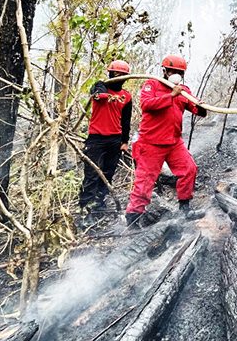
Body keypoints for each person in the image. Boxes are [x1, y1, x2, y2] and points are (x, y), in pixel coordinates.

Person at [125, 54, 207, 227]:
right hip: (151, 142)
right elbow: (147, 105)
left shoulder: (184, 90)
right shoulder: (152, 85)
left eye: (180, 72)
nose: (176, 75)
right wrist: (171, 95)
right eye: (172, 71)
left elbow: (196, 110)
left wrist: (201, 107)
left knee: (189, 169)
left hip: (174, 142)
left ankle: (184, 209)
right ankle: (133, 219)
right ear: (164, 71)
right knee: (145, 181)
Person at [79, 60, 132, 218]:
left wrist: (124, 141)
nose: (118, 77)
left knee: (108, 173)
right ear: (110, 73)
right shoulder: (100, 86)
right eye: (115, 73)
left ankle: (99, 203)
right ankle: (85, 209)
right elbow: (98, 95)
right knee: (91, 175)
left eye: (121, 75)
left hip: (115, 140)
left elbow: (126, 121)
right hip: (96, 139)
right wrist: (104, 92)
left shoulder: (126, 96)